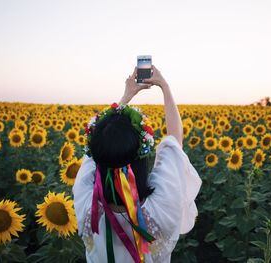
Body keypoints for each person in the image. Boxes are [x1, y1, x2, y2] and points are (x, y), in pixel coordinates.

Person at [72, 65, 202, 263]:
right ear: (142, 159)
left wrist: (126, 95)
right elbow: (175, 141)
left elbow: (96, 146)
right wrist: (164, 86)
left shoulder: (85, 203)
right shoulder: (161, 207)